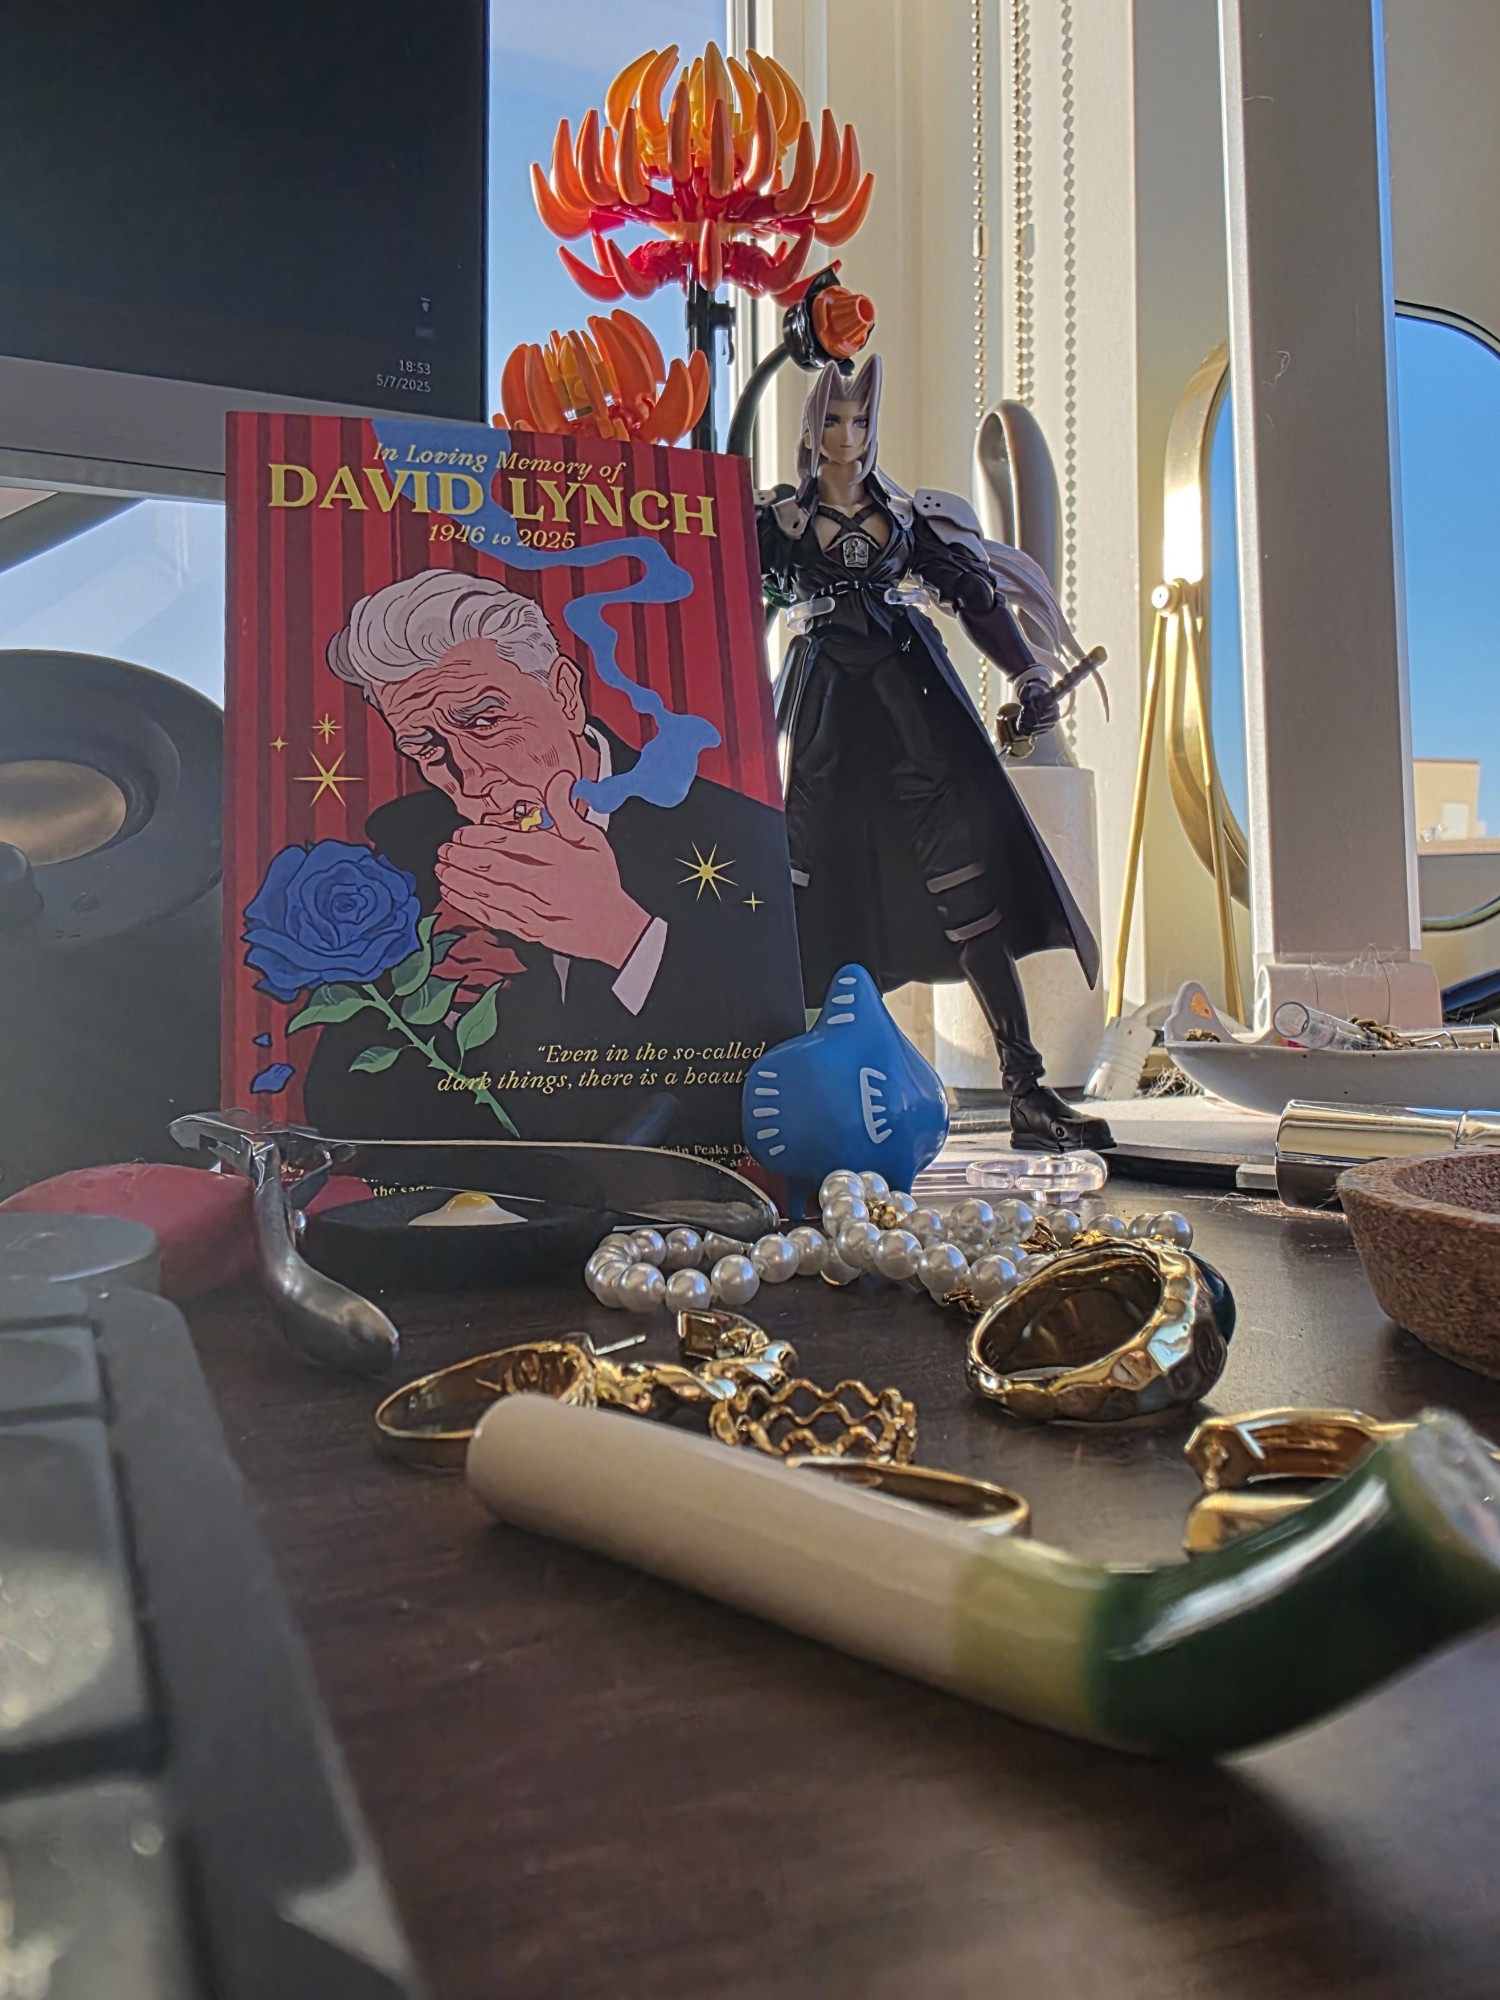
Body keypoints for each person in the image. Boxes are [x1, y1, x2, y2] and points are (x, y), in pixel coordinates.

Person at [303, 568, 802, 1141]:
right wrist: (432, 998)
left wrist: (623, 937)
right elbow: (337, 1109)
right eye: (426, 749)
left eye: (485, 721)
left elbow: (775, 1082)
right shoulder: (408, 851)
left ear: (564, 694)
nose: (470, 777)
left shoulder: (741, 837)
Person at [757, 355, 1112, 1152]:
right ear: (812, 427)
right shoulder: (779, 525)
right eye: (833, 419)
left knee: (967, 887)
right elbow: (729, 604)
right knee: (804, 893)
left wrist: (1028, 671)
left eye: (860, 420)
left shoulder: (910, 519)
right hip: (824, 725)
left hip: (912, 715)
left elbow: (975, 599)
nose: (847, 436)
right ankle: (799, 1080)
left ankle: (1027, 1089)